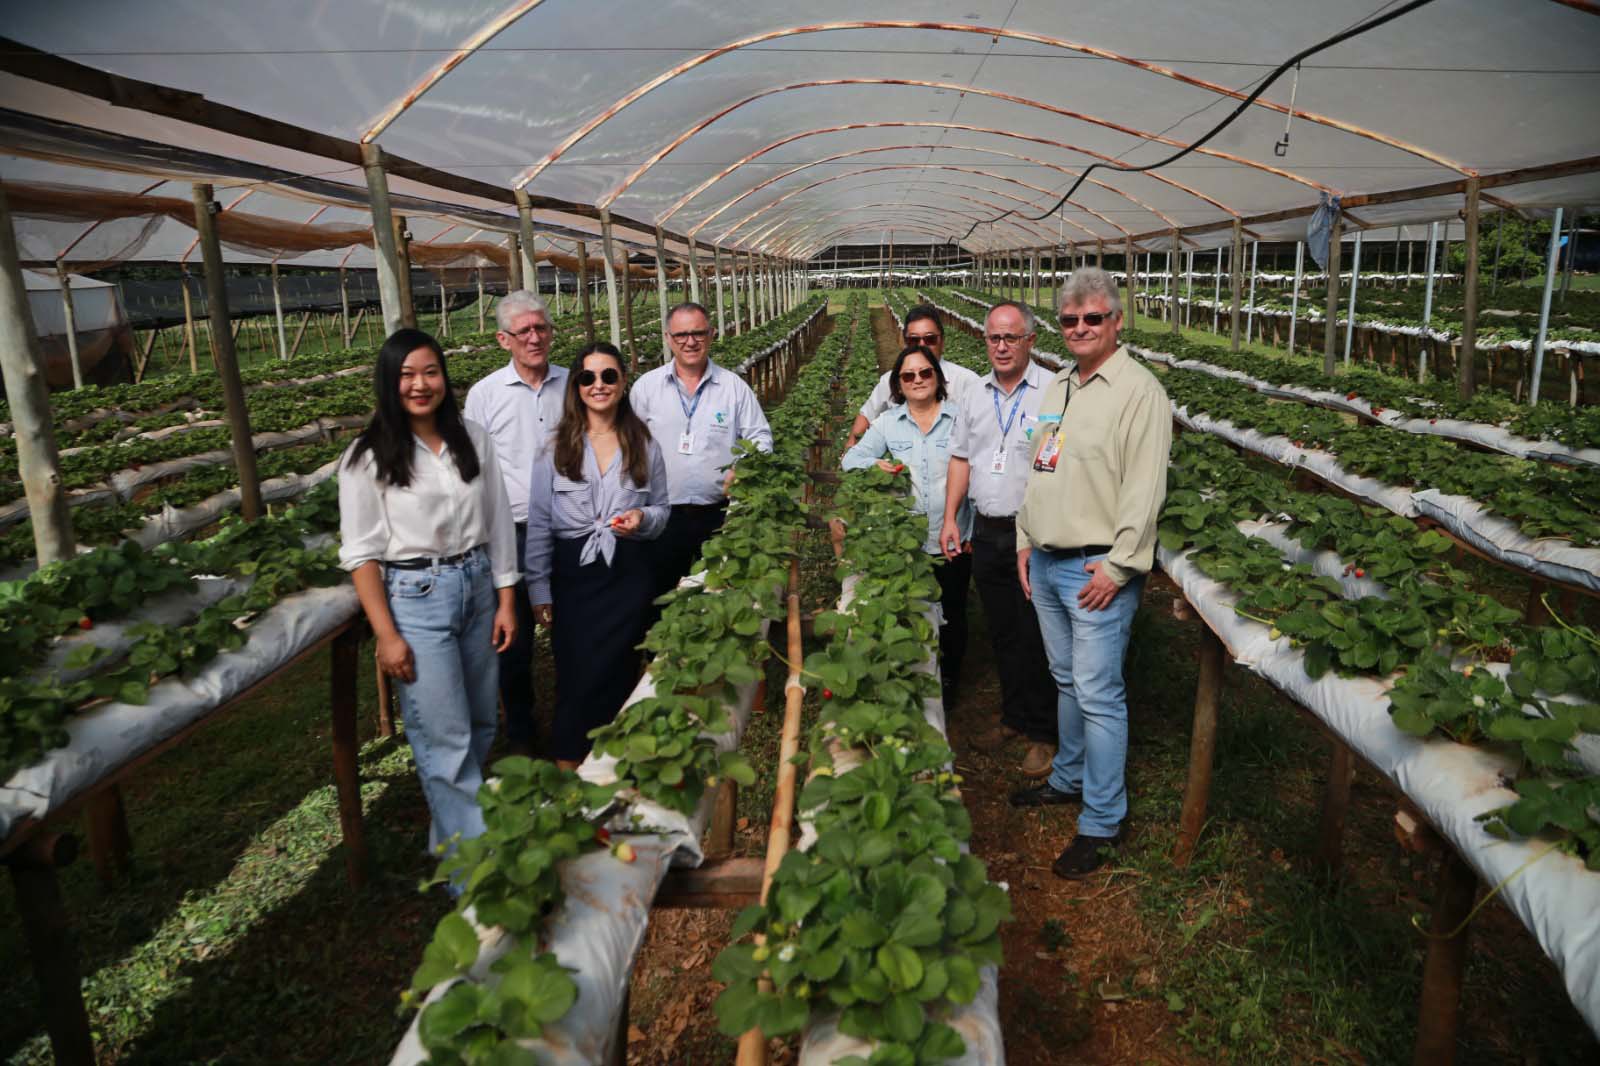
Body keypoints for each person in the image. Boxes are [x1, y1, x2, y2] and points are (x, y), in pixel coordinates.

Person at [339, 328, 519, 883]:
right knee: (444, 737)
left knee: (482, 721)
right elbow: (362, 553)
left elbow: (497, 520)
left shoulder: (472, 437)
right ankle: (479, 882)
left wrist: (506, 599)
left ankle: (451, 840)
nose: (421, 385)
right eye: (407, 375)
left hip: (476, 585)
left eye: (430, 372)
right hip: (417, 596)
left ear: (445, 377)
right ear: (389, 384)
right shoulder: (367, 456)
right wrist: (387, 635)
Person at [1008, 267, 1171, 880]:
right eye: (1070, 320)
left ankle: (1103, 819)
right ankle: (1067, 779)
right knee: (1068, 681)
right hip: (1048, 561)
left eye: (1092, 318)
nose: (1080, 329)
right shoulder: (1058, 386)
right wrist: (1026, 539)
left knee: (1100, 693)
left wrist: (1121, 564)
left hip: (1094, 566)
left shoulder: (1138, 391)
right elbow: (1039, 466)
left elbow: (1144, 488)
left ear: (1116, 322)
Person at [525, 342, 669, 767]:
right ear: (576, 386)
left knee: (622, 668)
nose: (599, 385)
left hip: (627, 574)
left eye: (609, 376)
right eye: (588, 377)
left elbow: (663, 510)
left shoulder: (644, 444)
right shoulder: (554, 448)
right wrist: (538, 589)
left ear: (623, 383)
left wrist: (642, 518)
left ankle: (618, 764)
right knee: (575, 673)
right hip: (575, 576)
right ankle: (569, 766)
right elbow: (538, 523)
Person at [938, 300, 1058, 779]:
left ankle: (1045, 732)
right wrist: (952, 517)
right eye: (994, 338)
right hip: (987, 530)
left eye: (1012, 337)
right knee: (1003, 628)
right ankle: (1013, 715)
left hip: (1035, 532)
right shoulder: (973, 393)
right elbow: (961, 458)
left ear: (1031, 340)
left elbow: (1053, 464)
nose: (1002, 346)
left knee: (1039, 632)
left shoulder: (1051, 391)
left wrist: (1035, 532)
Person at [463, 291, 568, 757]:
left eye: (541, 328)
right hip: (514, 531)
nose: (534, 337)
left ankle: (577, 721)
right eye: (523, 331)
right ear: (503, 339)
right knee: (515, 636)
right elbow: (473, 471)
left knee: (573, 630)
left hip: (572, 527)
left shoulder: (576, 382)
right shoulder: (484, 397)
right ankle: (522, 732)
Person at [842, 345, 973, 700]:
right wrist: (874, 464)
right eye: (908, 376)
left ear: (938, 377)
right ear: (898, 385)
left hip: (953, 533)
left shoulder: (962, 417)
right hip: (907, 542)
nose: (918, 380)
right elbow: (850, 459)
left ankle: (949, 681)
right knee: (914, 609)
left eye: (925, 373)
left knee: (953, 611)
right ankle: (914, 679)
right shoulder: (888, 423)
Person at [631, 301, 772, 602]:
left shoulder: (733, 387)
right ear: (668, 338)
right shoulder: (646, 388)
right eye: (681, 334)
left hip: (719, 516)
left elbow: (760, 436)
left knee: (718, 595)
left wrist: (744, 467)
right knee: (660, 598)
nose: (690, 341)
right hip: (662, 519)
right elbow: (628, 446)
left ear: (712, 334)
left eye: (698, 333)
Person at [845, 304, 983, 448]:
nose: (922, 345)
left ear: (942, 342)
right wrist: (852, 451)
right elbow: (867, 415)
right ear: (905, 343)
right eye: (913, 340)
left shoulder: (967, 381)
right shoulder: (890, 380)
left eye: (930, 339)